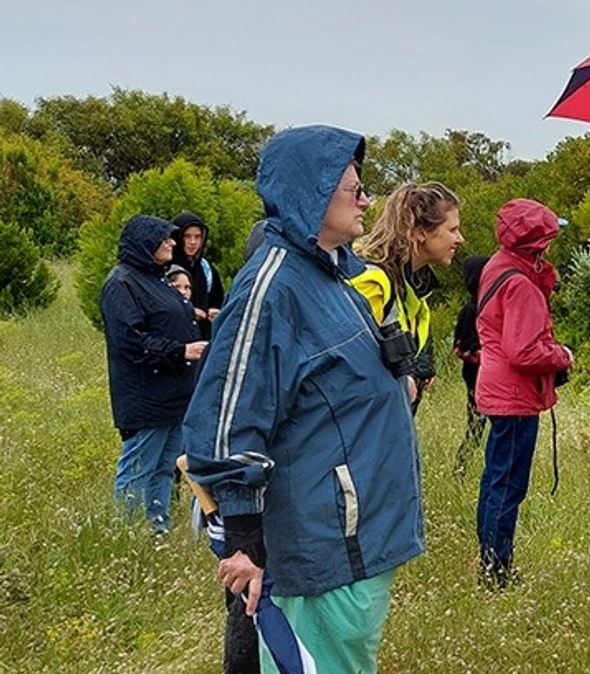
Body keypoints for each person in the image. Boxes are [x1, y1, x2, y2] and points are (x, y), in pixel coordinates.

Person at [182, 125, 423, 673]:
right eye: (352, 188)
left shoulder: (329, 276)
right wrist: (244, 540)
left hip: (352, 539)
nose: (366, 200)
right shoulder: (272, 289)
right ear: (311, 193)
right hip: (323, 543)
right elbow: (227, 417)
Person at [474, 198, 573, 588]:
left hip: (496, 386)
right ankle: (497, 572)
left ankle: (489, 563)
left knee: (494, 479)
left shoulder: (497, 266)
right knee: (508, 485)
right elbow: (525, 351)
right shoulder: (521, 285)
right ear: (539, 243)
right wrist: (562, 355)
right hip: (514, 395)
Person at [101, 215, 206, 534]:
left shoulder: (156, 278)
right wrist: (180, 351)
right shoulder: (121, 283)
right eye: (165, 239)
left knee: (164, 468)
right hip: (146, 396)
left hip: (174, 395)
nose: (173, 243)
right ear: (144, 243)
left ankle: (157, 531)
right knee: (138, 468)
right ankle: (127, 534)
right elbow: (129, 341)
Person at [350, 181, 465, 410]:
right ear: (421, 232)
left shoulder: (414, 285)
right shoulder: (371, 280)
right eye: (452, 230)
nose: (460, 239)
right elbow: (349, 367)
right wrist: (400, 382)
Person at [451, 254, 490, 474]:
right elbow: (460, 347)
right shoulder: (471, 311)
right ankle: (461, 468)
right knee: (476, 426)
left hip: (489, 375)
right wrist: (485, 357)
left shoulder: (489, 306)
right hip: (476, 376)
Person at [170, 212, 226, 340]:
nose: (193, 242)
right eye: (187, 236)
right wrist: (188, 312)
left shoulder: (206, 269)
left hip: (203, 337)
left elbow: (218, 300)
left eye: (198, 237)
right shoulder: (165, 267)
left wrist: (214, 313)